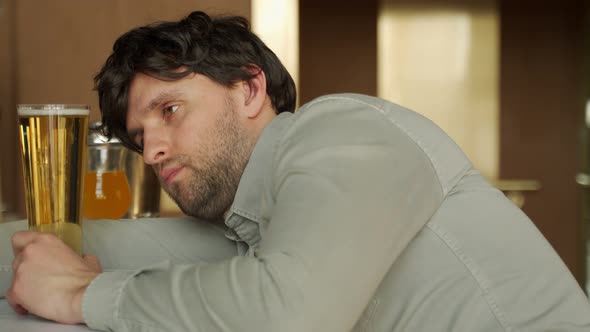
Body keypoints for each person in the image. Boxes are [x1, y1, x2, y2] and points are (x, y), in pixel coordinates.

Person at [1, 10, 590, 332]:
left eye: (170, 111)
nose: (152, 150)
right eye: (139, 137)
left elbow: (288, 314)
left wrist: (82, 294)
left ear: (250, 88)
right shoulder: (248, 227)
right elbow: (66, 246)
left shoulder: (344, 130)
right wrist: (48, 262)